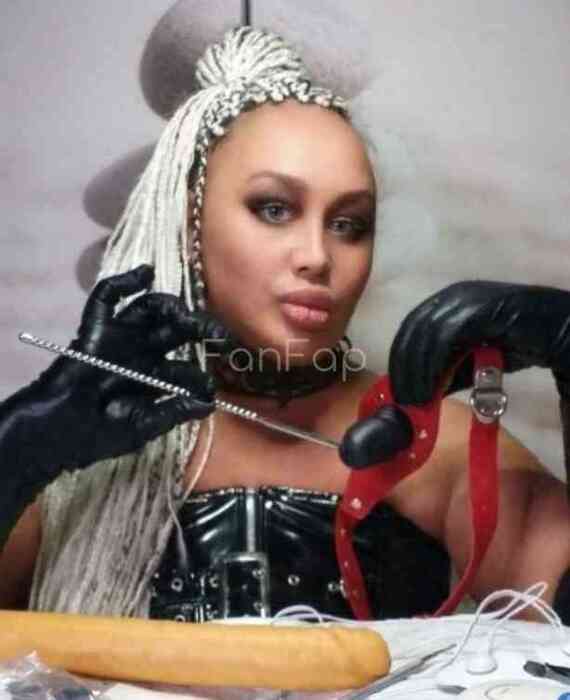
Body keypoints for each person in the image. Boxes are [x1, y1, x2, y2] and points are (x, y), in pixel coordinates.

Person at [0, 26, 568, 623]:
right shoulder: (74, 447)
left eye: (349, 224)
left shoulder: (426, 441)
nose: (318, 257)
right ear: (188, 225)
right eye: (273, 209)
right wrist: (22, 446)